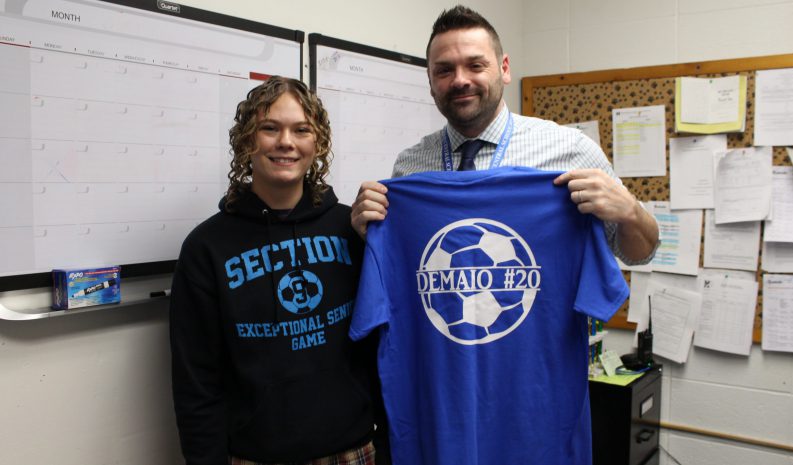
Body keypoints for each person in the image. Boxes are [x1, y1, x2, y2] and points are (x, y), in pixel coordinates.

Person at [169, 76, 381, 465]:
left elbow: (377, 346)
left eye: (301, 130)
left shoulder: (351, 230)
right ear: (247, 140)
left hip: (352, 450)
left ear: (317, 144)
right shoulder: (206, 248)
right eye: (270, 128)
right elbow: (196, 382)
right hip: (253, 456)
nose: (286, 142)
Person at [351, 5, 659, 263]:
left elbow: (639, 255)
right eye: (444, 70)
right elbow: (405, 263)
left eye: (475, 65)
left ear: (505, 68)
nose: (460, 80)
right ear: (430, 81)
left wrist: (630, 212)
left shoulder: (570, 150)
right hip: (443, 331)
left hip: (539, 335)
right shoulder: (409, 167)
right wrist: (368, 232)